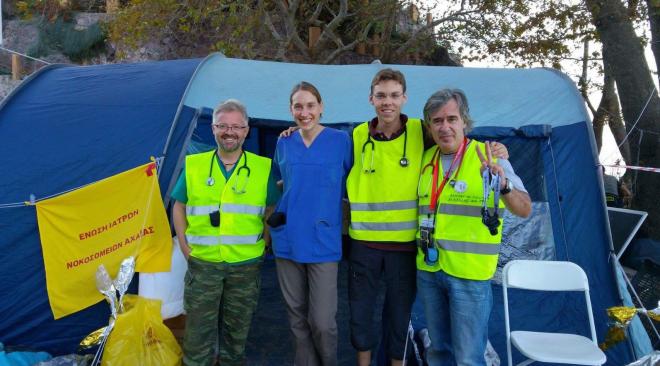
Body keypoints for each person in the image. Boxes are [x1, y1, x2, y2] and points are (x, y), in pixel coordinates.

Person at [416, 89, 531, 366]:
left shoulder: (489, 157)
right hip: (430, 270)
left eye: (451, 119)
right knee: (437, 351)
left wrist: (503, 185)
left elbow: (524, 208)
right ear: (429, 126)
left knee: (469, 356)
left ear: (464, 122)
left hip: (469, 274)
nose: (445, 127)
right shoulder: (424, 159)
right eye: (437, 121)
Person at [171, 99, 279, 366]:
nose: (229, 132)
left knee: (236, 332)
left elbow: (272, 207)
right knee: (197, 334)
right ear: (214, 129)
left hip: (245, 265)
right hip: (204, 264)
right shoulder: (194, 165)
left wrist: (265, 242)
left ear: (246, 130)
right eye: (222, 126)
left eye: (236, 126)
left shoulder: (261, 167)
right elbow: (178, 205)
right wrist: (184, 246)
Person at [269, 81, 352, 366]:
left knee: (322, 321)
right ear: (291, 110)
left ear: (322, 107)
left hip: (323, 239)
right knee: (296, 317)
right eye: (298, 106)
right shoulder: (284, 141)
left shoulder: (342, 141)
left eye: (310, 105)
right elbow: (282, 182)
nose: (304, 112)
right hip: (288, 237)